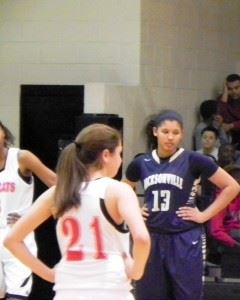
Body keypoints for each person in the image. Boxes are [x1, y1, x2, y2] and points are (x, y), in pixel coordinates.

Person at [4, 123, 151, 300]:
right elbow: (142, 239)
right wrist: (136, 272)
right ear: (106, 155)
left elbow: (12, 240)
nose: (120, 160)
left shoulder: (58, 192)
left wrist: (49, 274)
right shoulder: (118, 190)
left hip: (67, 289)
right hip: (110, 289)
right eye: (119, 153)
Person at [124, 110, 240, 300]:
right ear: (155, 132)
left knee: (187, 296)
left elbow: (232, 186)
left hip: (185, 237)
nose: (170, 137)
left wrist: (204, 215)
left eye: (175, 133)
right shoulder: (141, 162)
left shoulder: (194, 159)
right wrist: (134, 212)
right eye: (165, 131)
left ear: (182, 134)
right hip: (152, 237)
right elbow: (123, 190)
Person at [0, 121, 57, 300]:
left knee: (16, 296)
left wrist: (34, 216)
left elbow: (58, 185)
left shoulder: (21, 157)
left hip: (16, 235)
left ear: (4, 133)